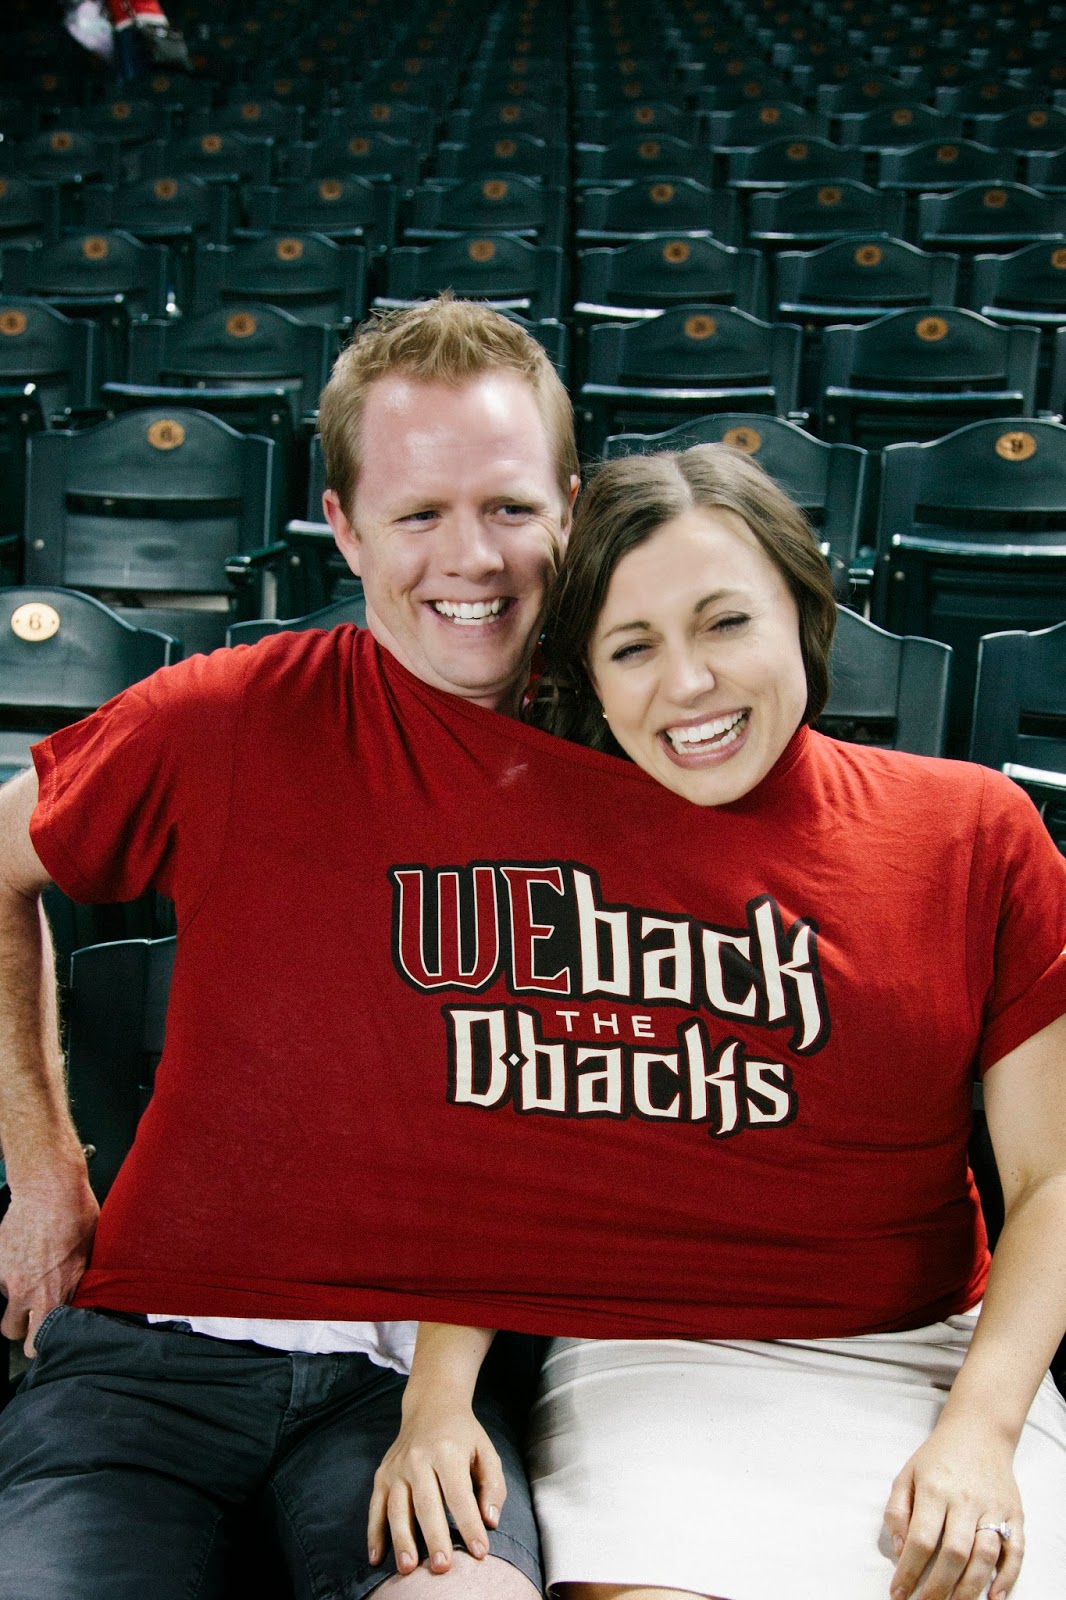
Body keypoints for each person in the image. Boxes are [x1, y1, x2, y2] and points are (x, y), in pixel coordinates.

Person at [367, 446, 1066, 1600]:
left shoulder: (973, 830)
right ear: (589, 679)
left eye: (725, 621)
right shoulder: (541, 862)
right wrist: (436, 1401)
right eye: (633, 648)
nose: (686, 682)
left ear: (803, 608)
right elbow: (492, 1169)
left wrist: (980, 1431)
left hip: (934, 1357)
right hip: (652, 1358)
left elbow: (1050, 1178)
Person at [0, 296, 579, 1600]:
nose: (469, 558)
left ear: (571, 508)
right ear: (341, 526)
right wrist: (42, 1171)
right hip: (153, 1348)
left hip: (421, 1377)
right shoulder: (221, 715)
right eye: (418, 514)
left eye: (507, 507)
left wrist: (445, 1394)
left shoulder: (628, 753)